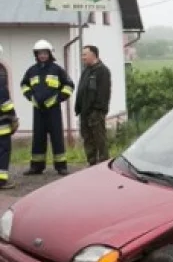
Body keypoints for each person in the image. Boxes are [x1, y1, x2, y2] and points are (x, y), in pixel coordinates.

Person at [20, 40, 73, 175]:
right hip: (38, 110)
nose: (42, 55)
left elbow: (69, 85)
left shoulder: (57, 69)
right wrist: (31, 97)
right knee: (38, 138)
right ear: (36, 55)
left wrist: (57, 99)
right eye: (39, 53)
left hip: (53, 110)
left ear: (49, 54)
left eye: (45, 53)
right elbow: (24, 85)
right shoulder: (31, 70)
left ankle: (61, 166)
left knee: (57, 137)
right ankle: (36, 167)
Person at [75, 45, 112, 165]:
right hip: (84, 113)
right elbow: (81, 90)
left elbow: (103, 93)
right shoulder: (86, 70)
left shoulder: (103, 71)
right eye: (82, 55)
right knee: (88, 140)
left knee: (99, 140)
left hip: (95, 113)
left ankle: (103, 165)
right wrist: (78, 108)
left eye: (85, 54)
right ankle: (91, 164)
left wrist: (97, 110)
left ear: (94, 55)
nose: (83, 57)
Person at [0, 45, 18, 190]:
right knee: (3, 151)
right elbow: (5, 104)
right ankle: (1, 181)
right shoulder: (0, 78)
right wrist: (13, 118)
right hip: (2, 126)